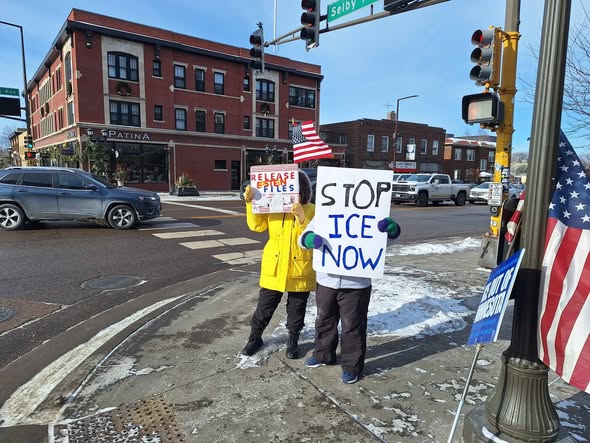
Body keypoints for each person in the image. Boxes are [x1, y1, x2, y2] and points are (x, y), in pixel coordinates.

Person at [299, 215, 401, 384]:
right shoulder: (327, 210)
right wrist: (309, 239)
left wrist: (392, 231)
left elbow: (380, 244)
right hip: (327, 280)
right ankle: (323, 354)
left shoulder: (371, 211)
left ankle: (351, 367)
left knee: (353, 326)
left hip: (356, 283)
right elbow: (303, 237)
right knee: (324, 319)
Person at [241, 169, 316, 359]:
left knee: (296, 310)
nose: (290, 195)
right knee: (264, 308)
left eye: (296, 190)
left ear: (303, 191)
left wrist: (301, 217)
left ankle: (293, 339)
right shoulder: (273, 207)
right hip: (274, 267)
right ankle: (254, 338)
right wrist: (251, 203)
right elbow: (256, 226)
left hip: (300, 268)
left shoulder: (313, 210)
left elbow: (315, 238)